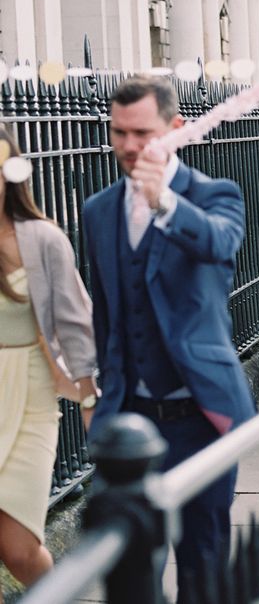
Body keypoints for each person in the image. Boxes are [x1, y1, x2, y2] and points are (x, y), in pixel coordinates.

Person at [82, 76, 255, 602]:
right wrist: (99, 393)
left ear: (176, 130)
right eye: (119, 133)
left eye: (143, 133)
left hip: (199, 416)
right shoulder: (98, 211)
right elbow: (109, 314)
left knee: (202, 560)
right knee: (132, 570)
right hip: (127, 419)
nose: (130, 146)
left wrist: (164, 204)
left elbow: (220, 244)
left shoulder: (214, 195)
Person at [0, 127, 99, 600]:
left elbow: (74, 320)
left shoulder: (42, 237)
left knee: (19, 549)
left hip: (30, 395)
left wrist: (87, 395)